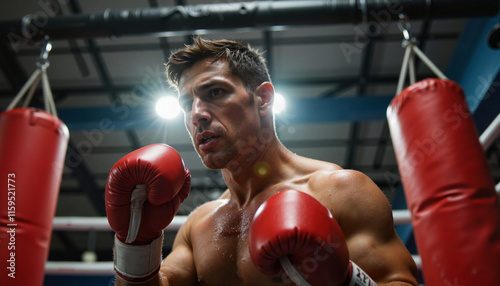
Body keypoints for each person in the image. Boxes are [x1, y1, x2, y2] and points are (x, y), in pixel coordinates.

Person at [105, 37, 419, 286]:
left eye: (215, 92)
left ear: (263, 99)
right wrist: (136, 246)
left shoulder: (341, 191)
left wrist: (343, 279)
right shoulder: (198, 224)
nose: (197, 114)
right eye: (187, 104)